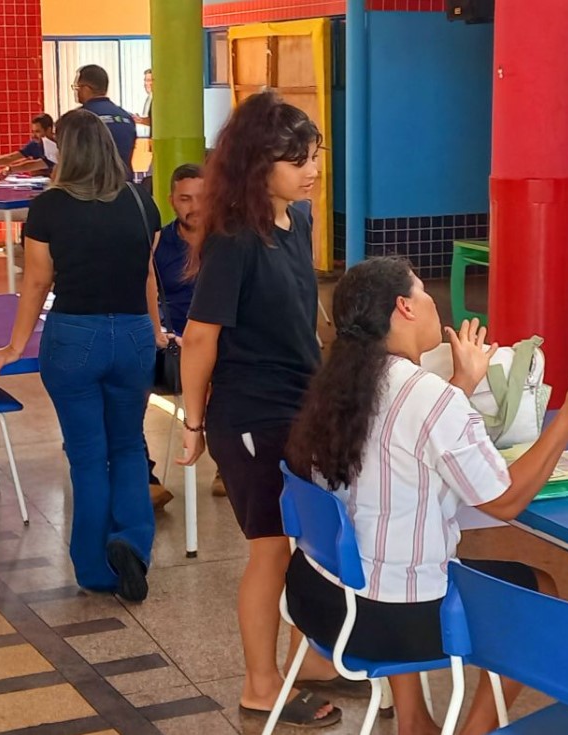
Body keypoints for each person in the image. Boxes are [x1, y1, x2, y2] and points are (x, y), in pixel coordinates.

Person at [285, 258, 568, 735]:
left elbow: (403, 438)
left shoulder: (341, 385)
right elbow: (504, 503)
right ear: (404, 307)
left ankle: (414, 721)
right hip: (383, 619)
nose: (433, 304)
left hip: (319, 597)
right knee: (539, 589)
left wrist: (462, 384)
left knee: (402, 552)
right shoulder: (426, 395)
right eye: (424, 294)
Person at [176, 91, 340, 727]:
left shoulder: (294, 221)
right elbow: (200, 337)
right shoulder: (234, 239)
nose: (311, 168)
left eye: (314, 155)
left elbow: (302, 320)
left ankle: (312, 660)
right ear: (255, 163)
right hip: (250, 416)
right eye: (295, 158)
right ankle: (260, 684)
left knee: (310, 545)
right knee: (271, 549)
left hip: (300, 407)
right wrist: (193, 426)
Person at [0, 109, 164, 604]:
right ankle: (132, 543)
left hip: (75, 338)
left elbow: (37, 281)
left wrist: (16, 344)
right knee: (127, 447)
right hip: (134, 336)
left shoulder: (50, 207)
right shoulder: (143, 202)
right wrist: (155, 330)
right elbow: (147, 274)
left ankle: (97, 570)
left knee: (87, 456)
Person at [142, 163, 228, 507]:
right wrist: (158, 332)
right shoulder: (159, 241)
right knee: (128, 383)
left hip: (223, 340)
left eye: (203, 198)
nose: (194, 207)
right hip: (174, 342)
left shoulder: (230, 242)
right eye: (185, 199)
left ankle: (228, 461)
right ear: (171, 201)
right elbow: (144, 288)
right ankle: (143, 477)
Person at [73, 64, 136, 178]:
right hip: (123, 186)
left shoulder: (77, 118)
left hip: (91, 188)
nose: (76, 92)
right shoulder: (126, 117)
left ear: (86, 89)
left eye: (77, 88)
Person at [0, 114, 57, 179]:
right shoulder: (35, 143)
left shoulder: (58, 145)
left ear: (49, 130)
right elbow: (12, 157)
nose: (33, 135)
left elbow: (35, 164)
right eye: (33, 131)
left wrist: (9, 169)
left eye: (38, 131)